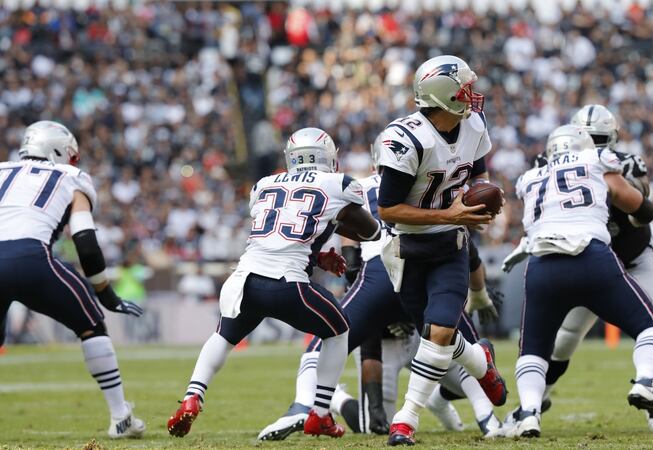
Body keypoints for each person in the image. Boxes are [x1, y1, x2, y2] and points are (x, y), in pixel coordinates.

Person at [258, 138, 504, 441]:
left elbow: (346, 243)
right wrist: (478, 293)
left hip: (385, 275)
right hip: (406, 280)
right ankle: (486, 418)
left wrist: (346, 265)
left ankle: (304, 403)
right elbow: (467, 249)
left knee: (328, 341)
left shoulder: (357, 185)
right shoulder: (430, 185)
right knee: (456, 349)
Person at [166, 127, 381, 440]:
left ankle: (191, 396)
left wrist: (318, 256)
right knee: (339, 330)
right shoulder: (339, 183)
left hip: (244, 281)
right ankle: (321, 413)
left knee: (223, 337)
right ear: (328, 156)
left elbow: (279, 233)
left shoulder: (265, 184)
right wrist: (339, 224)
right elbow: (370, 231)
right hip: (286, 284)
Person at [506, 124, 653, 438]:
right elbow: (643, 209)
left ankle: (529, 414)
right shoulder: (598, 161)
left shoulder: (531, 176)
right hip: (592, 257)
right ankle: (645, 383)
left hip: (543, 265)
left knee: (532, 350)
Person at [376, 55, 507, 446]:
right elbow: (388, 209)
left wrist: (481, 200)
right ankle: (481, 361)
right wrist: (448, 213)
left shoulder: (473, 124)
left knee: (442, 331)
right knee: (437, 338)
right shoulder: (406, 139)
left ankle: (405, 419)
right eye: (465, 89)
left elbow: (478, 174)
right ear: (443, 96)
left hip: (451, 245)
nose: (472, 95)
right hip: (409, 248)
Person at [0, 121, 146, 438]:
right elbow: (85, 241)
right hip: (30, 256)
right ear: (58, 151)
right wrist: (105, 294)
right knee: (92, 326)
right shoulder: (70, 176)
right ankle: (120, 416)